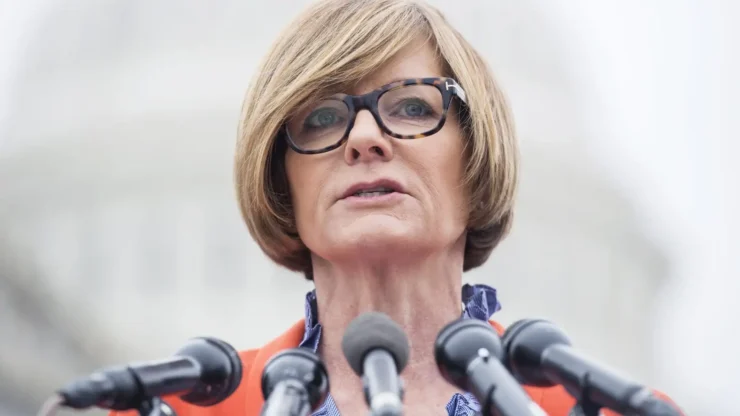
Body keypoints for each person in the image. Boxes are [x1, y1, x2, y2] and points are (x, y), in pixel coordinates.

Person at [113, 0, 680, 415]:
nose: (364, 138)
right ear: (282, 181)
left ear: (476, 155)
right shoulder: (176, 409)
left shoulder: (621, 411)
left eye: (411, 107)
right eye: (322, 118)